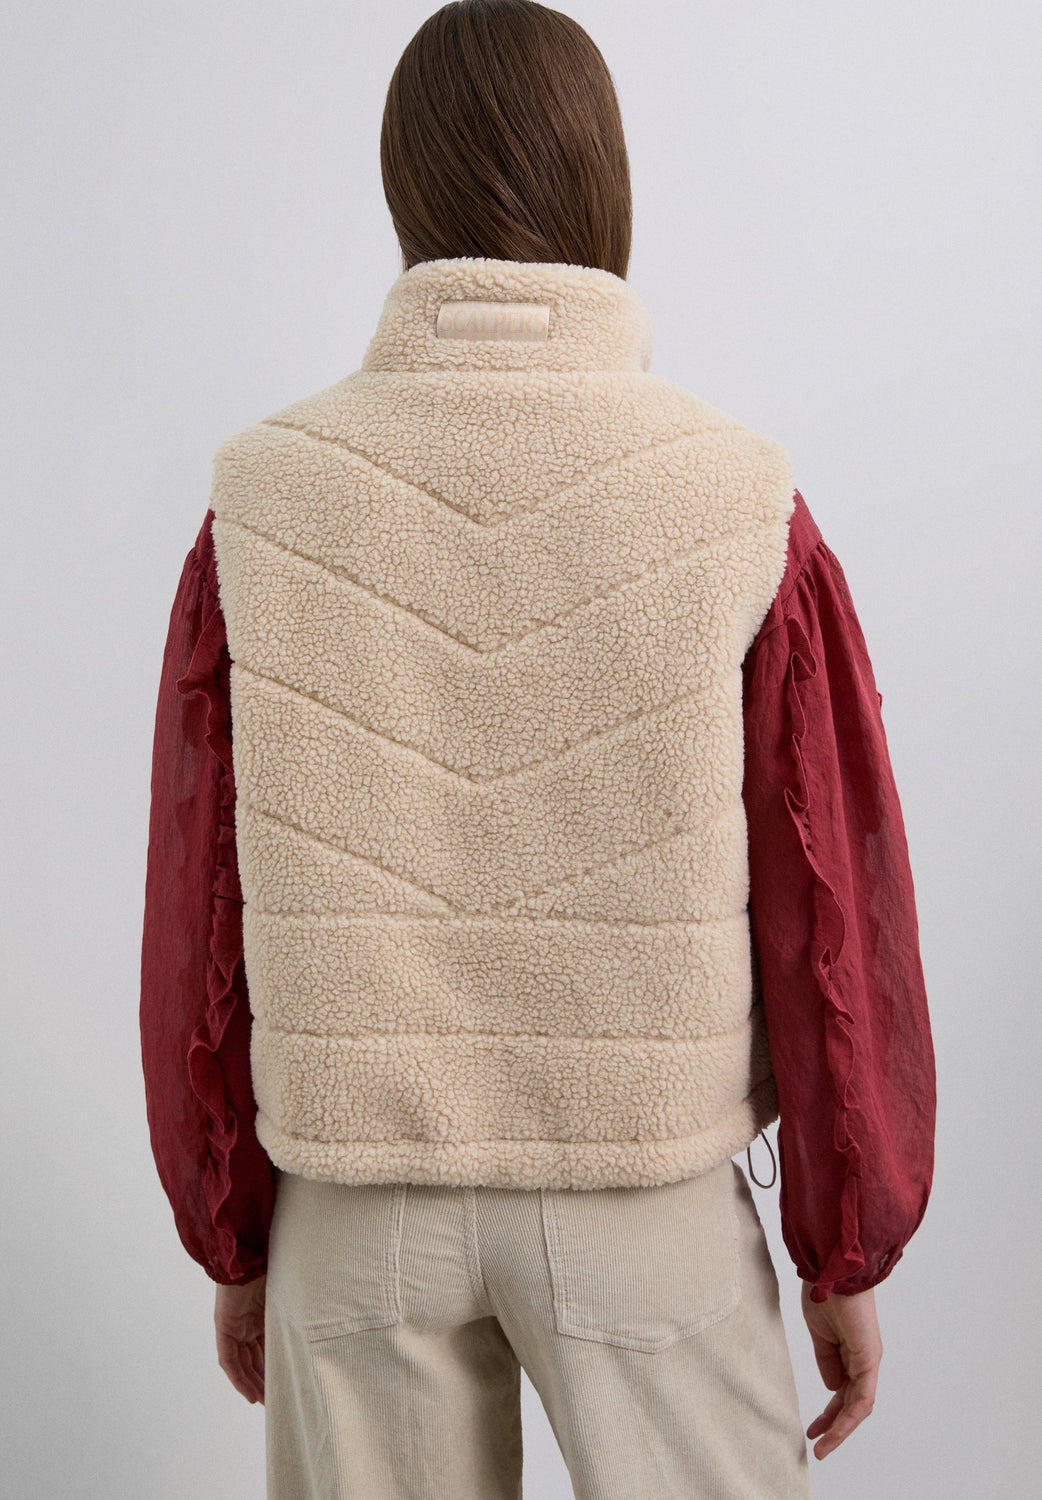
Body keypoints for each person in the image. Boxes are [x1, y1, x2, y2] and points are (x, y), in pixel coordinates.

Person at [139, 3, 935, 1495]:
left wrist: (237, 1231)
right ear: (606, 185)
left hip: (353, 1211)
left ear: (404, 189)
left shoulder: (261, 498)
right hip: (646, 1196)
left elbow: (205, 905)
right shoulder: (736, 497)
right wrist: (840, 1248)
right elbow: (827, 897)